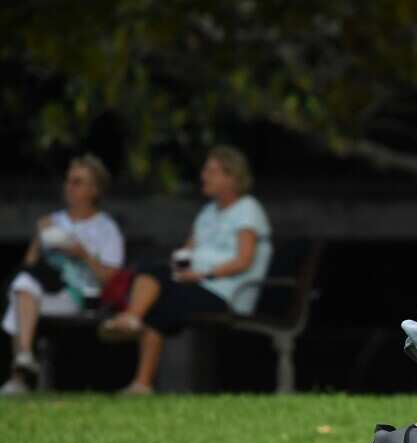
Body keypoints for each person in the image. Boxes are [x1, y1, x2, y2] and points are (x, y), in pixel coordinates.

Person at [98, 146, 271, 394]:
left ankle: (131, 318)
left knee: (156, 288)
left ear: (231, 177)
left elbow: (244, 260)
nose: (204, 176)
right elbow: (187, 252)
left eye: (211, 171)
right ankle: (141, 381)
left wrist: (203, 275)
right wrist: (179, 270)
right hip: (199, 284)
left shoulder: (248, 209)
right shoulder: (208, 213)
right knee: (155, 282)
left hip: (226, 293)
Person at [2, 155, 124, 394]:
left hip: (81, 296)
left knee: (19, 296)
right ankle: (25, 356)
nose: (69, 187)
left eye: (77, 182)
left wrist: (82, 254)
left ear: (94, 190)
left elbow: (110, 280)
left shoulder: (107, 228)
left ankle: (19, 377)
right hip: (46, 288)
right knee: (23, 285)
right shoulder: (53, 221)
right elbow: (29, 265)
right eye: (68, 181)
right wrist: (39, 239)